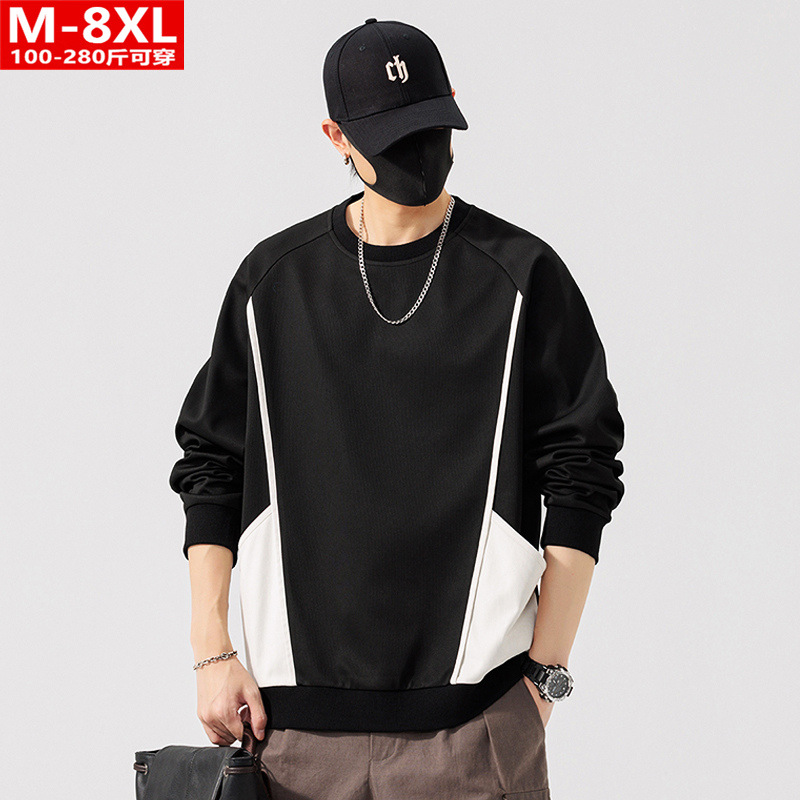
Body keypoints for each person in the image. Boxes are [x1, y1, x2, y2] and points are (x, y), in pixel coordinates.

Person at [168, 18, 625, 800]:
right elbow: (212, 464)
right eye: (391, 135)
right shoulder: (273, 283)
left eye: (431, 125)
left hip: (475, 729)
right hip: (293, 734)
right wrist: (212, 654)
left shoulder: (523, 276)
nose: (418, 151)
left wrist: (543, 680)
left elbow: (583, 476)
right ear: (337, 137)